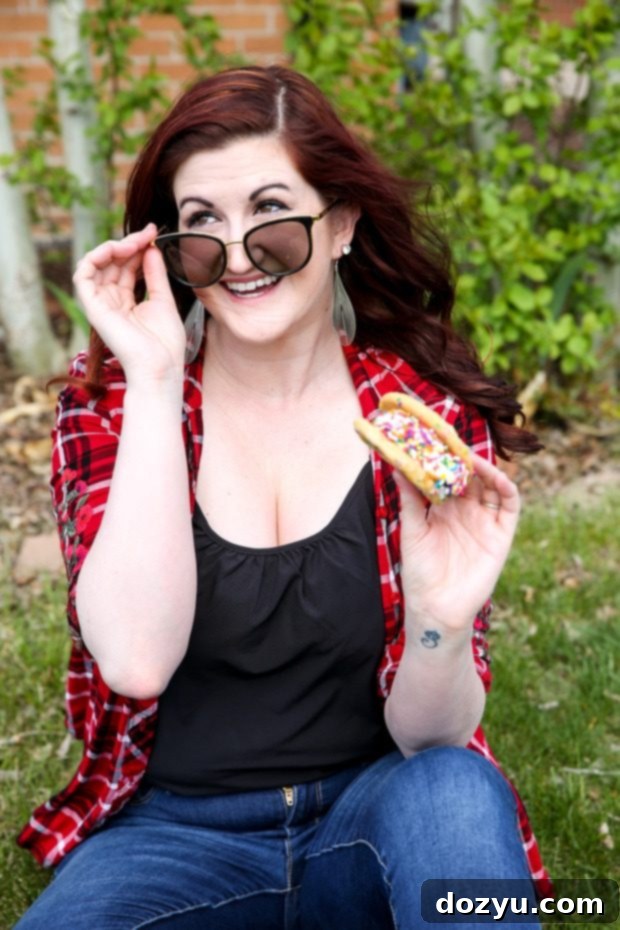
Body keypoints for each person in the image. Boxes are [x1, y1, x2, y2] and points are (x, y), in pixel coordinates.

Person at [15, 65, 549, 929]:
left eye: (271, 211)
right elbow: (136, 661)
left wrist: (442, 620)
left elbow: (430, 741)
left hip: (374, 811)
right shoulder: (114, 407)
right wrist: (154, 379)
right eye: (202, 225)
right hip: (175, 837)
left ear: (340, 225)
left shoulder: (420, 419)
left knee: (454, 789)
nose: (237, 255)